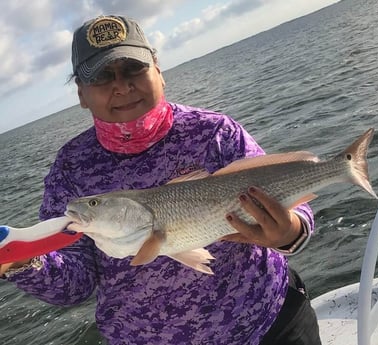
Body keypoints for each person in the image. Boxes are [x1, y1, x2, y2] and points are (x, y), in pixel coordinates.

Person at [0, 15, 321, 345]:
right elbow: (75, 283)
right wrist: (20, 261)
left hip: (270, 324)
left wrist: (290, 232)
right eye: (101, 76)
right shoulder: (70, 169)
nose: (122, 86)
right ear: (81, 94)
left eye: (133, 69)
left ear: (158, 70)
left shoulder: (214, 132)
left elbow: (285, 197)